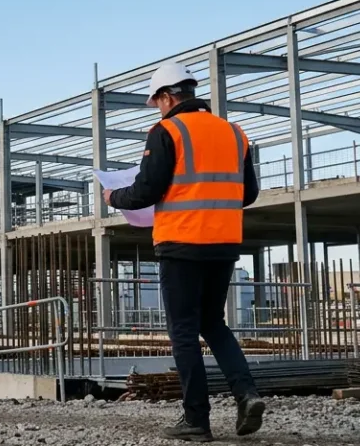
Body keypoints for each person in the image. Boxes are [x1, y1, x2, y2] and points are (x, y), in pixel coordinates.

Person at [104, 62, 266, 442]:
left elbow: (146, 191)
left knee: (183, 331)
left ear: (166, 96)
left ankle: (197, 419)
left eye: (157, 101)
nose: (157, 109)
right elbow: (249, 193)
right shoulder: (233, 132)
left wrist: (114, 197)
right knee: (214, 323)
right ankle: (247, 394)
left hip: (181, 244)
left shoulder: (167, 131)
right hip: (224, 243)